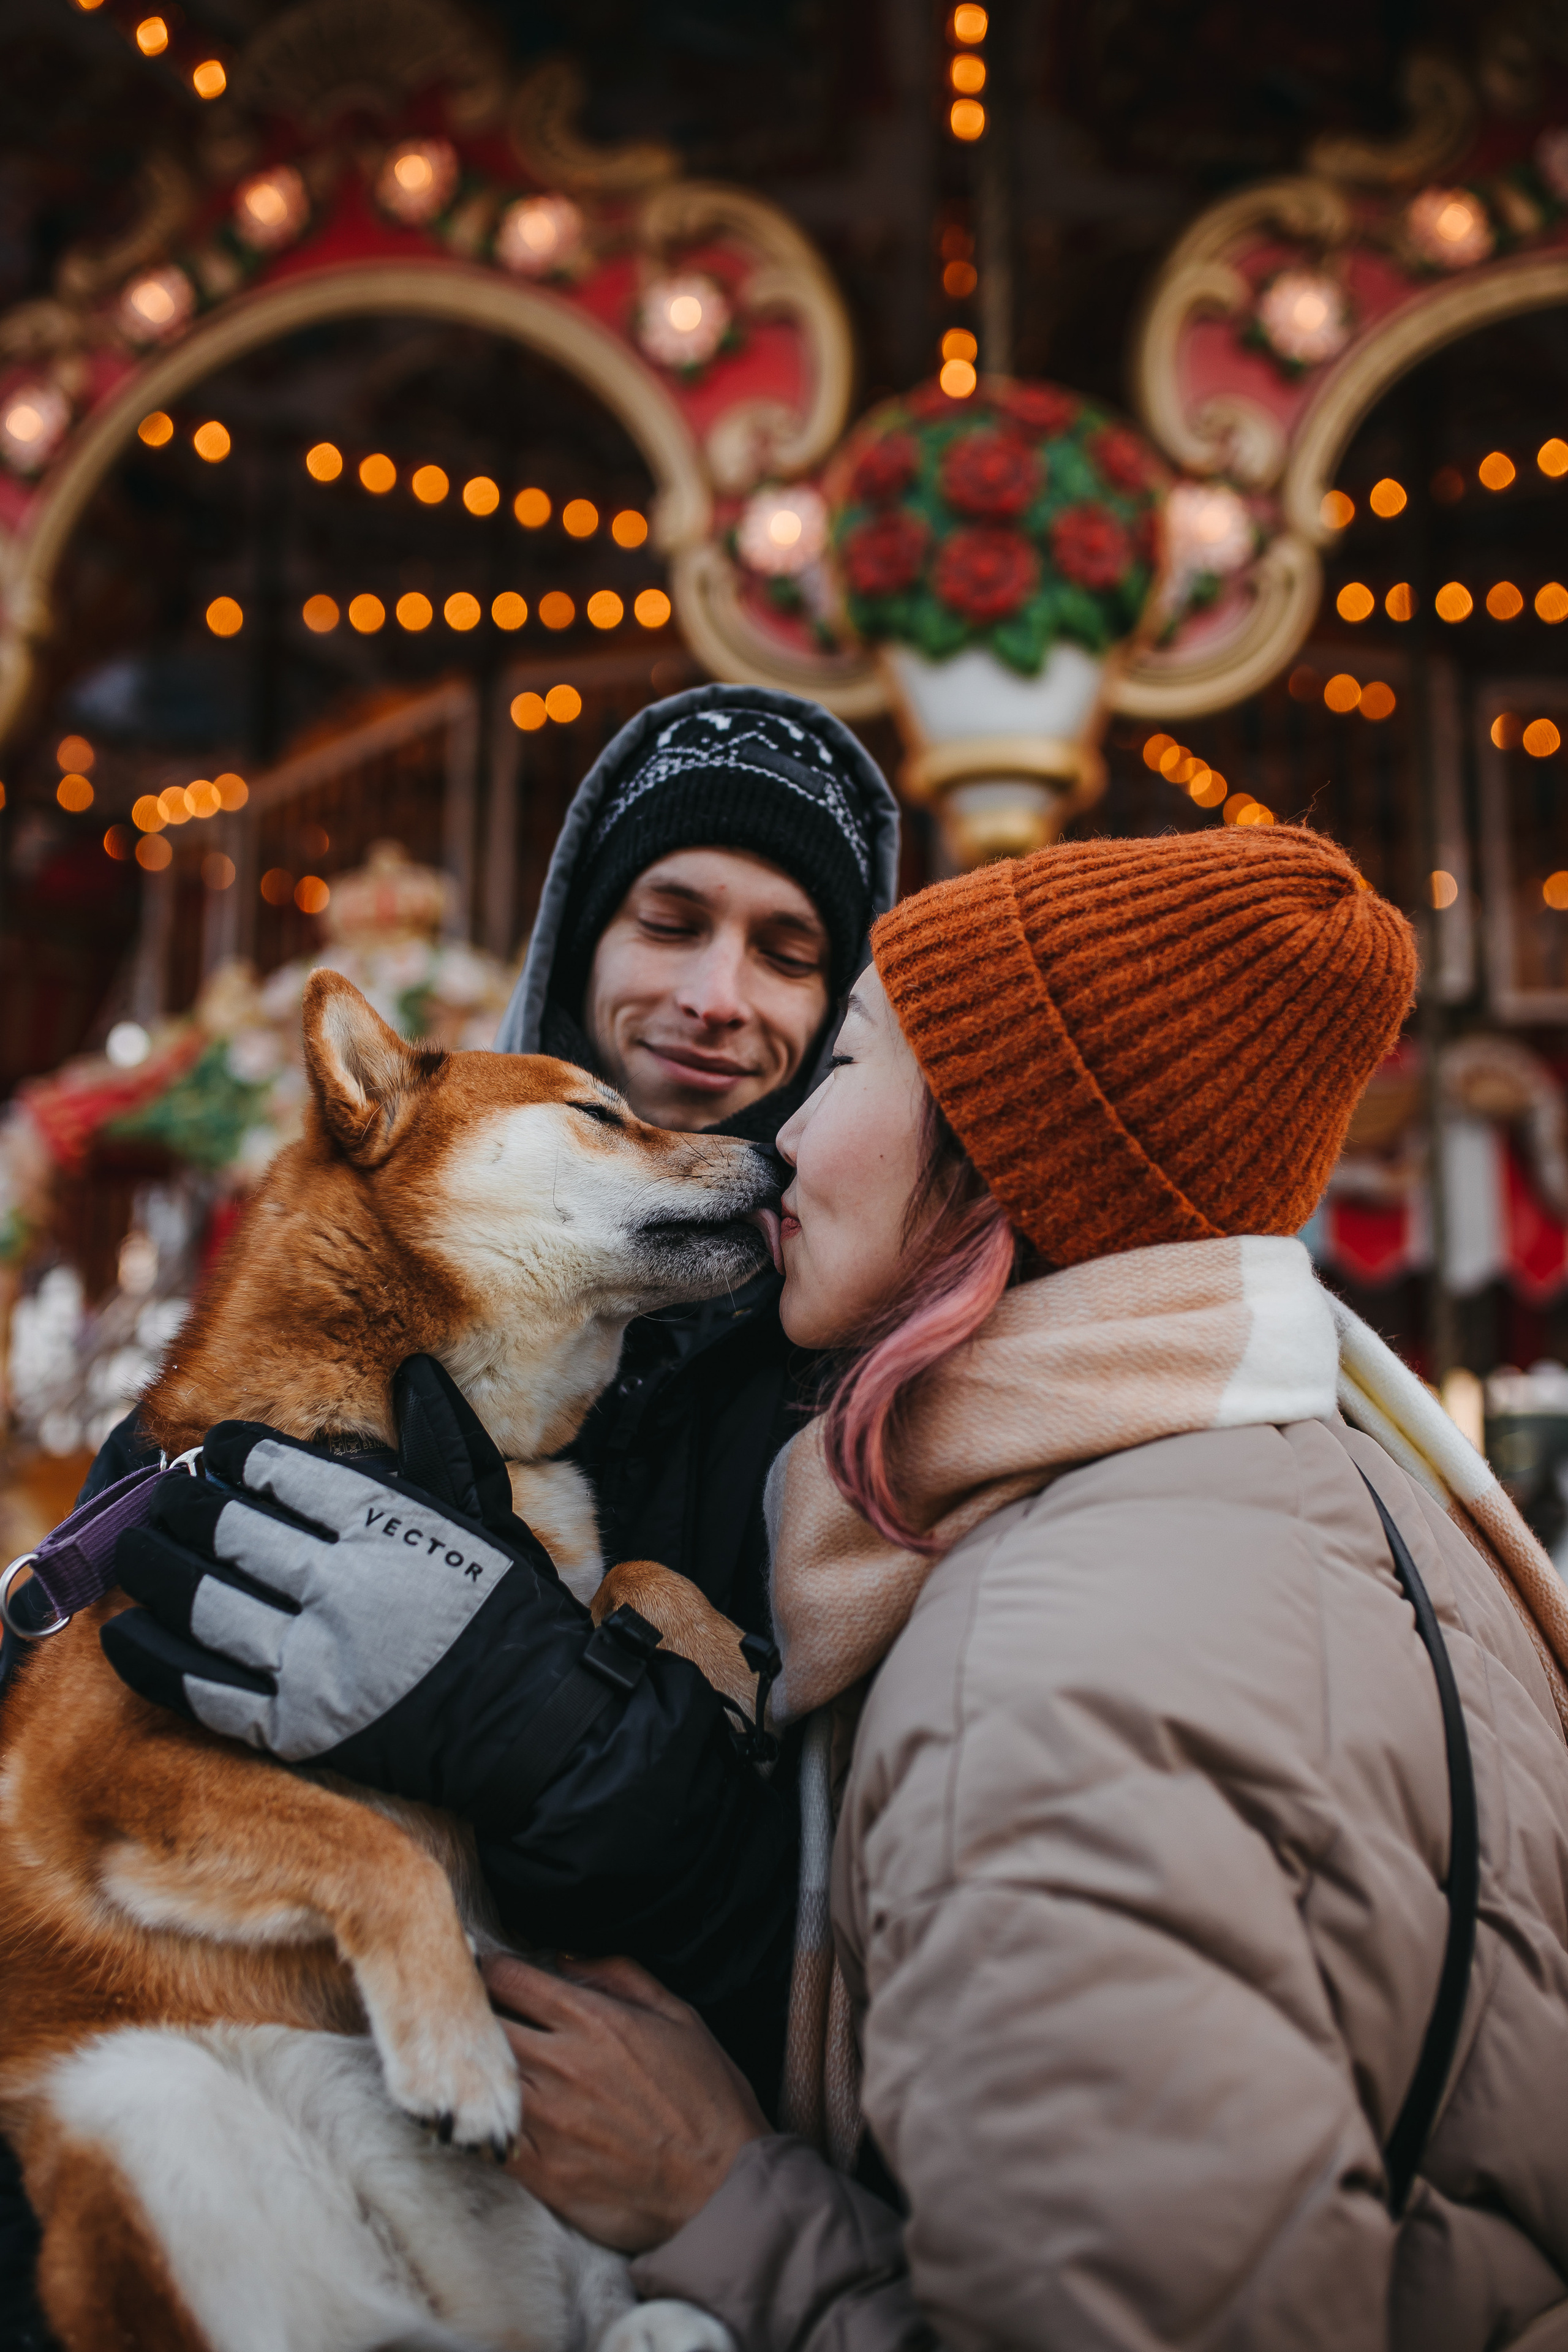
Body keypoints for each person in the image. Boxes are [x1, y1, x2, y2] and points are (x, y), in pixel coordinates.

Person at [470, 826, 1568, 2352]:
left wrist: (720, 2196)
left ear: (997, 1149)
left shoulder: (1048, 1684)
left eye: (843, 1058)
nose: (785, 1134)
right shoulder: (1339, 1480)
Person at [0, 684, 899, 2345]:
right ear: (582, 939)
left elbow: (864, 1910)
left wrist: (555, 1724)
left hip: (668, 2179)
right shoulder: (285, 1350)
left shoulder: (872, 1405)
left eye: (789, 952)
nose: (715, 998)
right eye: (672, 918)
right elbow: (84, 1784)